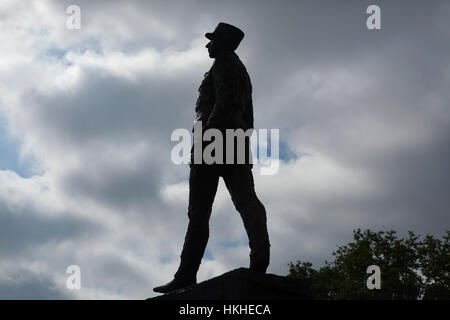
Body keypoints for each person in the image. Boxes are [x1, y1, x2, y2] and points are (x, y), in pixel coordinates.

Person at [153, 22, 270, 294]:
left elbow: (224, 103)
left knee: (199, 212)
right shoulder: (239, 69)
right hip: (236, 141)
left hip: (213, 141)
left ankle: (185, 275)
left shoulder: (224, 65)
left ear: (224, 44)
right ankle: (260, 256)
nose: (208, 45)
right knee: (245, 200)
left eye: (213, 40)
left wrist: (208, 137)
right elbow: (247, 117)